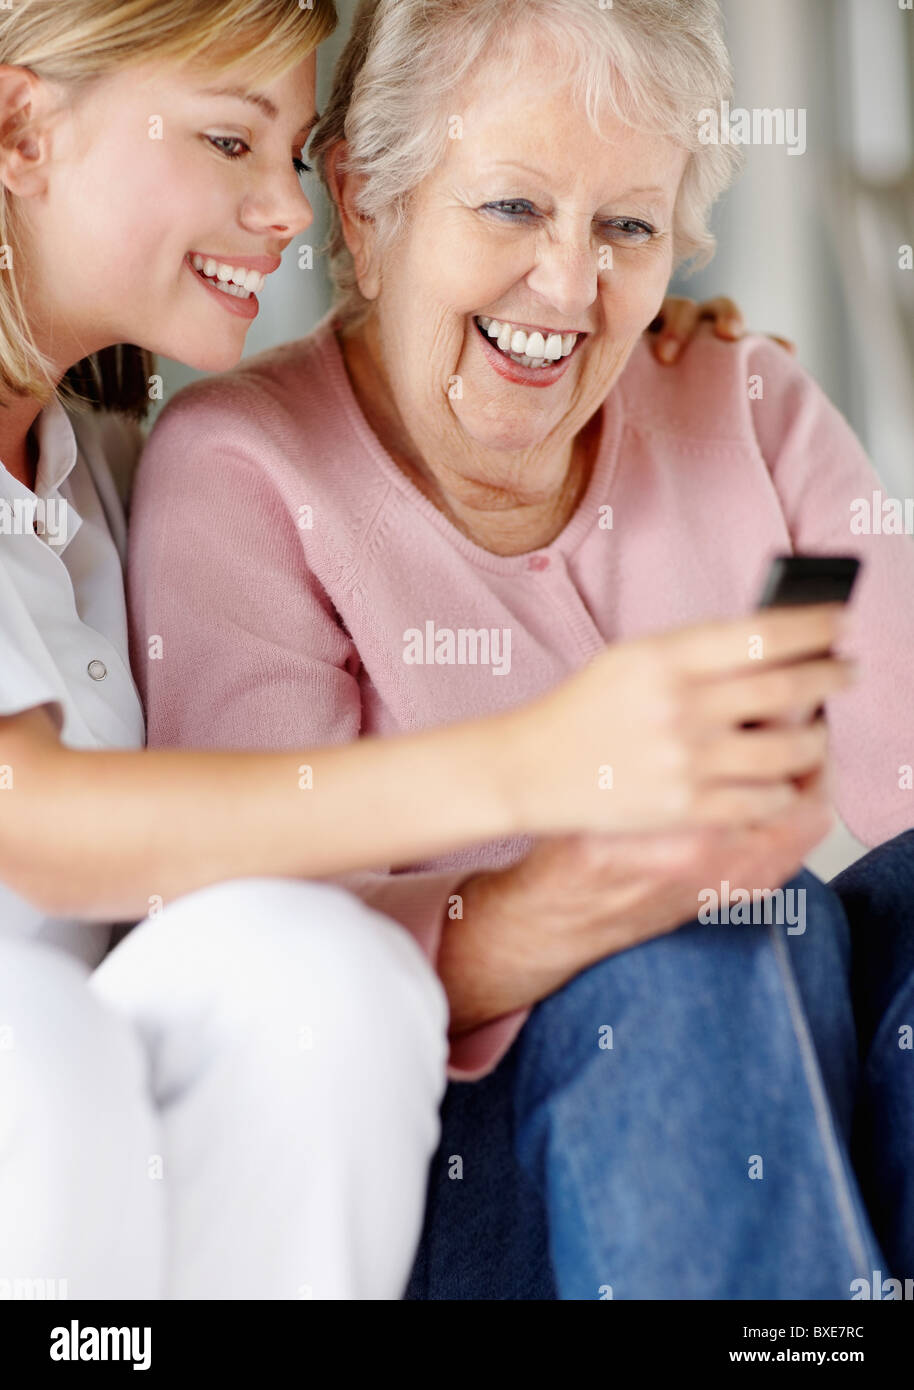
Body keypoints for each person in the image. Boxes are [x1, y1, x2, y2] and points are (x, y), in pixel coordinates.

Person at [0, 0, 813, 1300]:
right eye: (228, 143)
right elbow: (26, 817)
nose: (288, 212)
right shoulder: (211, 470)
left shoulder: (91, 467)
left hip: (142, 1163)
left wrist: (636, 324)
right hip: (50, 1116)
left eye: (294, 152)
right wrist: (527, 770)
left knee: (316, 975)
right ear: (20, 128)